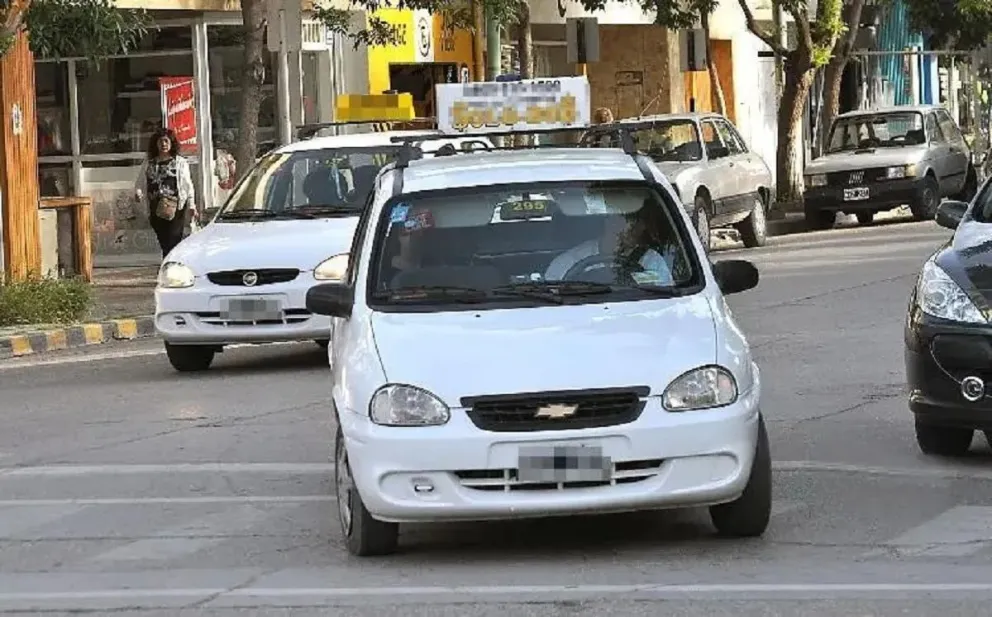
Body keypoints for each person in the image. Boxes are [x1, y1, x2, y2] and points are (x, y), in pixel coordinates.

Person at [544, 203, 676, 285]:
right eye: (625, 219)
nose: (632, 227)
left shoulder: (652, 261)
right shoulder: (568, 262)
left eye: (638, 221)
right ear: (608, 221)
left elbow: (666, 294)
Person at [135, 128, 197, 258]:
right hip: (156, 209)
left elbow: (187, 185)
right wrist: (138, 192)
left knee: (173, 241)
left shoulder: (179, 162)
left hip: (175, 209)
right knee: (164, 242)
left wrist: (191, 205)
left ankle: (170, 267)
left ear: (171, 143)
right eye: (160, 142)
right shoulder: (149, 163)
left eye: (166, 141)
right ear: (155, 144)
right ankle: (170, 265)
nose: (163, 144)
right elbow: (140, 182)